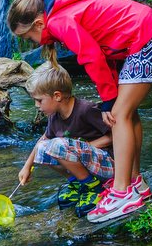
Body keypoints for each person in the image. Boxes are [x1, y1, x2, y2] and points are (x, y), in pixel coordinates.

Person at [7, 0, 152, 222]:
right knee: (128, 113)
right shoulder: (62, 11)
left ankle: (122, 192)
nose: (33, 44)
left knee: (118, 114)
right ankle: (134, 181)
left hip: (149, 39)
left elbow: (91, 56)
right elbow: (103, 49)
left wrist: (108, 100)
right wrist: (111, 93)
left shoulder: (59, 20)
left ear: (38, 24)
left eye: (28, 38)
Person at [19, 62, 114, 218]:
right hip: (86, 164)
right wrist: (27, 167)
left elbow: (115, 134)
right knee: (43, 148)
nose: (36, 105)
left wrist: (87, 146)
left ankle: (93, 188)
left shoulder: (86, 109)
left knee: (56, 145)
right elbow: (43, 141)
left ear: (57, 96)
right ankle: (77, 182)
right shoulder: (54, 116)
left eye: (39, 100)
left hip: (107, 164)